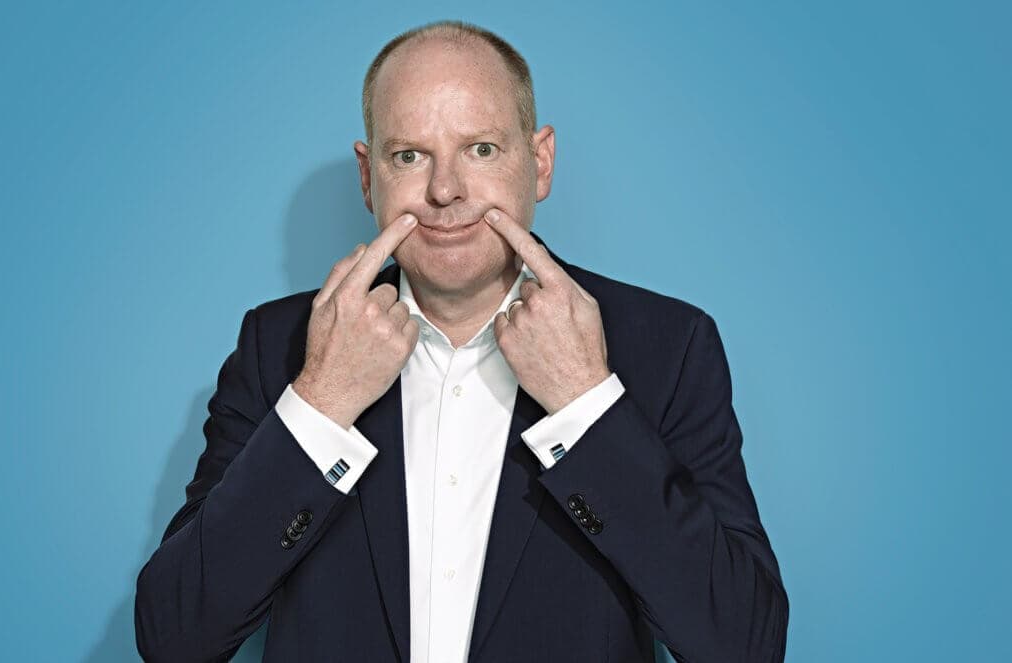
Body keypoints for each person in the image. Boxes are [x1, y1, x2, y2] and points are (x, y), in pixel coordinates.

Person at [135, 20, 788, 663]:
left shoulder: (669, 346)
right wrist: (323, 399)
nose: (444, 190)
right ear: (367, 176)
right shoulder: (278, 346)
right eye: (409, 156)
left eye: (480, 149)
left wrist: (585, 401)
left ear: (540, 162)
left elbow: (744, 646)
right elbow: (174, 638)